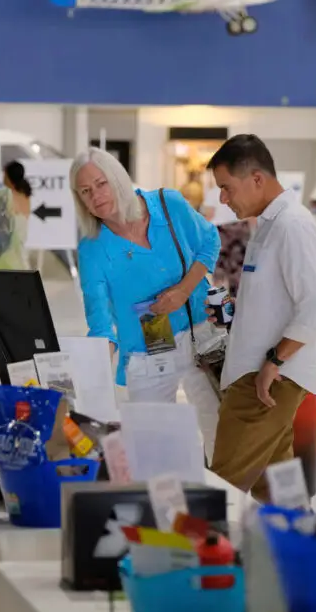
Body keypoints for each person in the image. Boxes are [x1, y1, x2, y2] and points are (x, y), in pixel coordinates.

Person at [206, 134, 316, 502]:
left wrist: (274, 362)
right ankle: (299, 551)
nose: (223, 199)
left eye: (227, 188)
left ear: (257, 178)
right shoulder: (268, 225)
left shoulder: (293, 225)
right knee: (276, 493)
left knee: (222, 487)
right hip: (259, 376)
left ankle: (195, 556)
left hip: (264, 383)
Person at [73, 147, 222, 459]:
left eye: (101, 184)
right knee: (152, 447)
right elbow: (100, 319)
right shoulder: (91, 248)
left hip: (200, 331)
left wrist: (184, 289)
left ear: (117, 178)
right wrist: (88, 371)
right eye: (85, 191)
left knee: (220, 432)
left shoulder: (170, 205)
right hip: (146, 346)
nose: (96, 196)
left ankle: (222, 501)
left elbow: (209, 241)